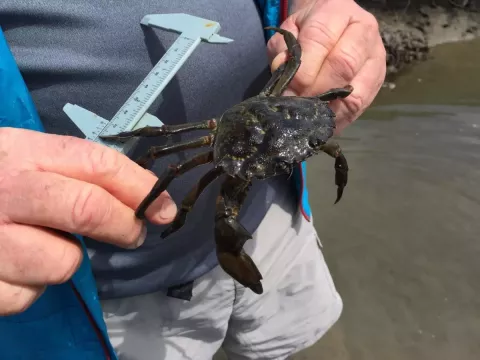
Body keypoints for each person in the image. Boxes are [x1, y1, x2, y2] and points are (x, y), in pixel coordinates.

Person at [0, 0, 386, 359]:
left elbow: (299, 58)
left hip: (277, 219)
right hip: (105, 300)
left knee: (290, 344)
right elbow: (158, 154)